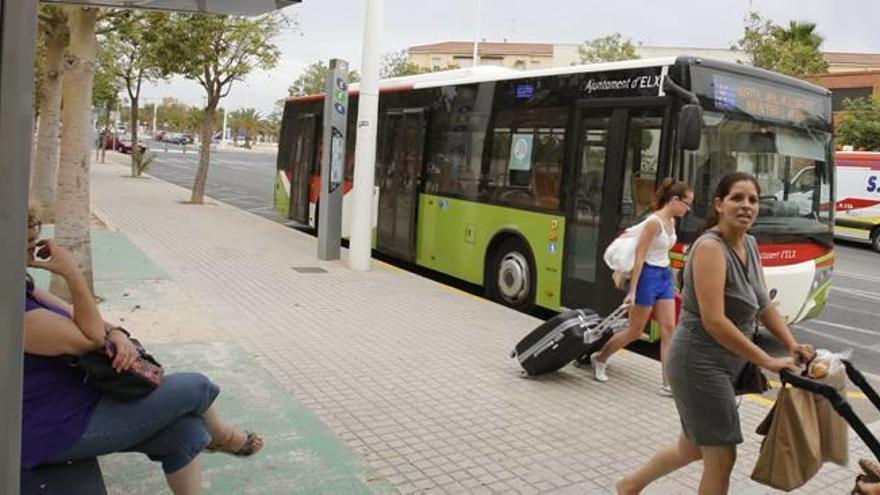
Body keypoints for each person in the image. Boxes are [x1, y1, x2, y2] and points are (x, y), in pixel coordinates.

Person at [23, 211, 263, 495]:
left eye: (33, 239)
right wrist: (73, 273)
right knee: (195, 387)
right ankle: (225, 437)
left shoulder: (24, 288)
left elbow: (75, 314)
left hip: (78, 403)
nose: (32, 249)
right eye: (25, 244)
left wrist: (117, 332)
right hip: (49, 430)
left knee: (185, 432)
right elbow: (89, 336)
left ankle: (215, 440)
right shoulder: (18, 317)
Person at [616, 172, 816, 495]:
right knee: (722, 457)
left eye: (753, 199)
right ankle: (630, 485)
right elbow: (715, 321)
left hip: (723, 364)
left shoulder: (749, 244)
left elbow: (763, 302)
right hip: (698, 363)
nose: (747, 205)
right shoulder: (710, 248)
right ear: (719, 204)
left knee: (693, 447)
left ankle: (630, 485)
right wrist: (767, 360)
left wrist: (791, 344)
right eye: (738, 198)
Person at [590, 178, 693, 396]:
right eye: (687, 203)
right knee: (635, 331)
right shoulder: (653, 223)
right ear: (675, 200)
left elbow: (662, 253)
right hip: (647, 276)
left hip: (663, 276)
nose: (688, 209)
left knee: (669, 330)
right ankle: (600, 358)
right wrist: (633, 291)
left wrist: (671, 281)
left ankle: (668, 383)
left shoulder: (671, 222)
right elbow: (640, 257)